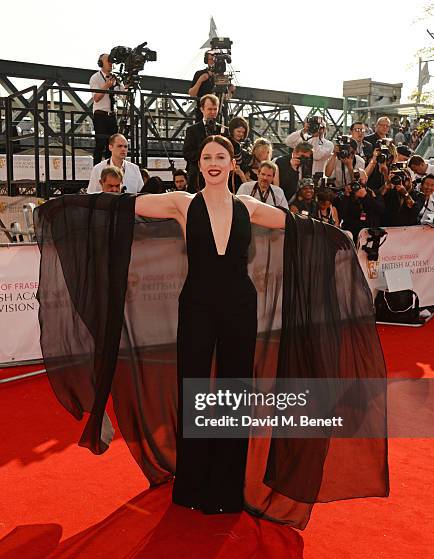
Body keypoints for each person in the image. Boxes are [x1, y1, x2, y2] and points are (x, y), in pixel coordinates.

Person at [35, 136, 389, 529]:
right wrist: (63, 207)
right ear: (199, 164)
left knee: (235, 389)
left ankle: (226, 485)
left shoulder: (250, 207)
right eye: (207, 157)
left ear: (233, 162)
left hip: (240, 304)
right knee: (197, 387)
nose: (214, 163)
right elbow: (118, 206)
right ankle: (192, 483)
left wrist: (335, 234)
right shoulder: (181, 203)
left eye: (221, 157)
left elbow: (298, 227)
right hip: (197, 305)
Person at [183, 94, 228, 193]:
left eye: (215, 109)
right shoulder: (192, 130)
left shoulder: (224, 130)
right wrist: (205, 158)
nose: (213, 112)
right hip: (197, 178)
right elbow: (187, 153)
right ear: (202, 109)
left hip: (218, 176)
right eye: (210, 109)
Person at [89, 54, 125, 165]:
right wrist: (106, 86)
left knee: (112, 145)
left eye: (111, 61)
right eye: (108, 61)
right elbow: (96, 98)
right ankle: (96, 169)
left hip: (112, 115)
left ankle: (110, 168)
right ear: (101, 63)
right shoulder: (95, 77)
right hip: (100, 115)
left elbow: (123, 95)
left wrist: (125, 86)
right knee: (100, 143)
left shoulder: (116, 78)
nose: (111, 63)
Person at [188, 52, 216, 123]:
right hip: (202, 115)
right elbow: (192, 94)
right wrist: (200, 80)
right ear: (206, 60)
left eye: (215, 59)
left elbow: (226, 97)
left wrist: (231, 91)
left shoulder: (222, 77)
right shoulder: (199, 73)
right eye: (210, 59)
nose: (213, 61)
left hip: (218, 113)